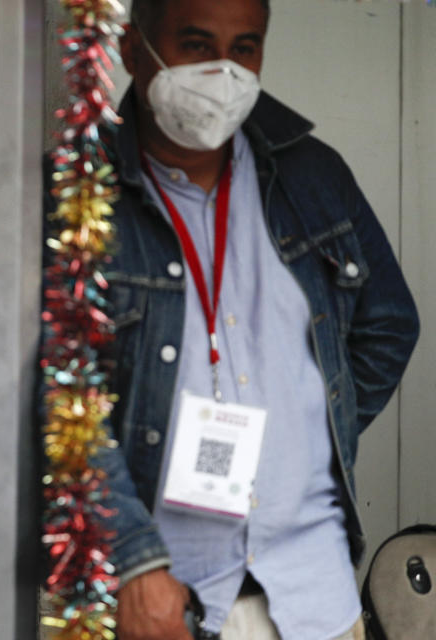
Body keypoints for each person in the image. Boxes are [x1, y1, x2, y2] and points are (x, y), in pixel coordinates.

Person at [73, 0, 420, 638]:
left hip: (314, 594)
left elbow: (390, 323)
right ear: (133, 50)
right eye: (196, 45)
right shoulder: (79, 196)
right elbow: (53, 396)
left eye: (244, 49)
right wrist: (132, 560)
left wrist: (320, 418)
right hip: (156, 600)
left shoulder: (314, 179)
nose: (222, 72)